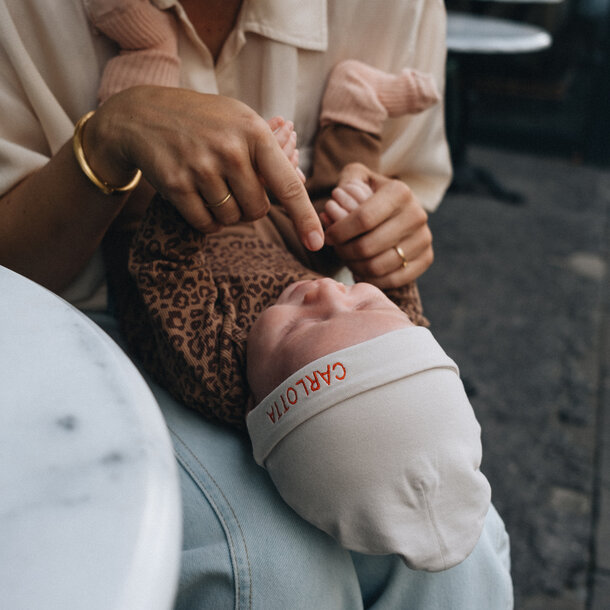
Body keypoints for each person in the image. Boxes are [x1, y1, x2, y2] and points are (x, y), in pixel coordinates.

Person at [0, 0, 513, 607]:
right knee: (268, 570)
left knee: (459, 559)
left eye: (319, 312)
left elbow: (395, 211)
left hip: (291, 336)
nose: (328, 294)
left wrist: (385, 231)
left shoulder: (398, 9)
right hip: (66, 316)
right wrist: (112, 137)